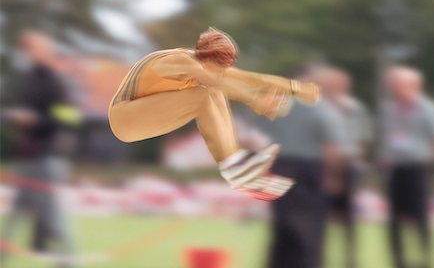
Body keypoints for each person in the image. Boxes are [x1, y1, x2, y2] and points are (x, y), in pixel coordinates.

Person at [108, 27, 321, 201]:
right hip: (124, 117)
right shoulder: (179, 61)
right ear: (205, 58)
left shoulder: (207, 65)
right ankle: (234, 167)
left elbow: (251, 79)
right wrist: (255, 100)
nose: (221, 71)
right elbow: (217, 80)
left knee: (214, 91)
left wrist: (296, 88)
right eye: (219, 67)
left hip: (144, 117)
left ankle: (235, 163)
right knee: (205, 92)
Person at [256, 67, 345, 268]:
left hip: (280, 163)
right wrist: (333, 177)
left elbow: (259, 134)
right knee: (309, 218)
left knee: (282, 218)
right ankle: (307, 264)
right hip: (309, 167)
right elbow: (332, 147)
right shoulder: (322, 109)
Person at [1, 30, 81, 268]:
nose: (27, 54)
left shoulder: (55, 82)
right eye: (26, 50)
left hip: (47, 156)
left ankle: (69, 258)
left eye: (32, 49)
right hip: (28, 155)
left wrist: (37, 121)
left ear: (46, 52)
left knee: (50, 212)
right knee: (17, 209)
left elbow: (69, 119)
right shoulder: (30, 80)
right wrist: (15, 118)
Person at [379, 65, 434, 268]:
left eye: (397, 83)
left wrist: (430, 158)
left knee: (420, 217)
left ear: (413, 85)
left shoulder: (429, 109)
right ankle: (400, 266)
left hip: (417, 168)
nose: (393, 87)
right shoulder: (388, 108)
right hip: (394, 168)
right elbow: (385, 135)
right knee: (394, 219)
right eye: (392, 84)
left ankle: (425, 263)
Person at [317, 67, 372, 268]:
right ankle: (319, 260)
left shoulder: (353, 109)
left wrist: (344, 156)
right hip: (322, 166)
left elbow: (360, 141)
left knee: (348, 216)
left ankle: (350, 261)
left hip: (347, 166)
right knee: (320, 215)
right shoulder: (317, 107)